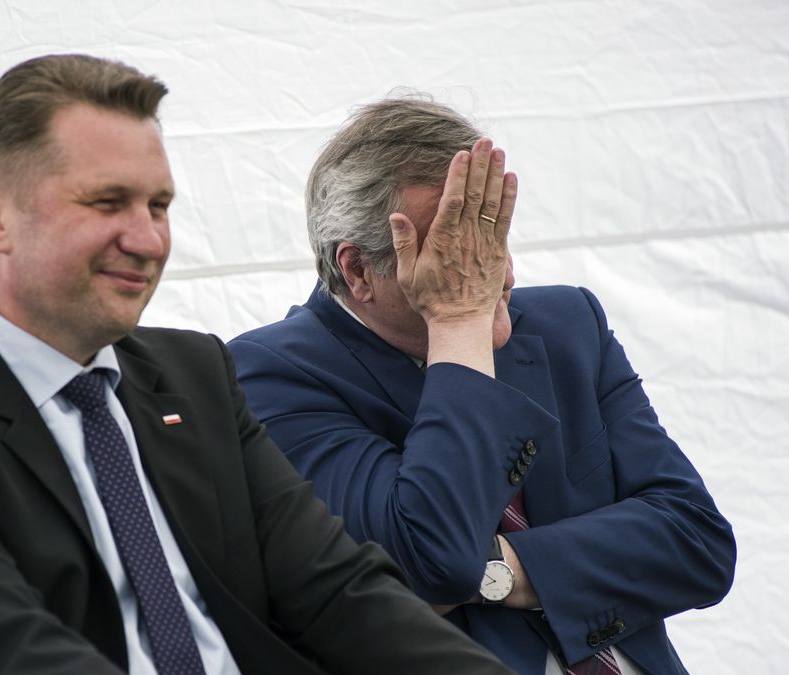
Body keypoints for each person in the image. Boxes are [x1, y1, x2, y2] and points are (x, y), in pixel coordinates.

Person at [0, 57, 512, 675]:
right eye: (109, 202)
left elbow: (341, 593)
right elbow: (5, 654)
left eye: (159, 205)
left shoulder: (191, 375)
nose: (147, 237)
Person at [228, 97, 737, 674]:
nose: (497, 272)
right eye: (452, 247)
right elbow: (431, 560)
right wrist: (459, 327)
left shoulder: (567, 324)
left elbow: (699, 543)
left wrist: (498, 570)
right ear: (358, 271)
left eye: (490, 233)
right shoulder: (266, 373)